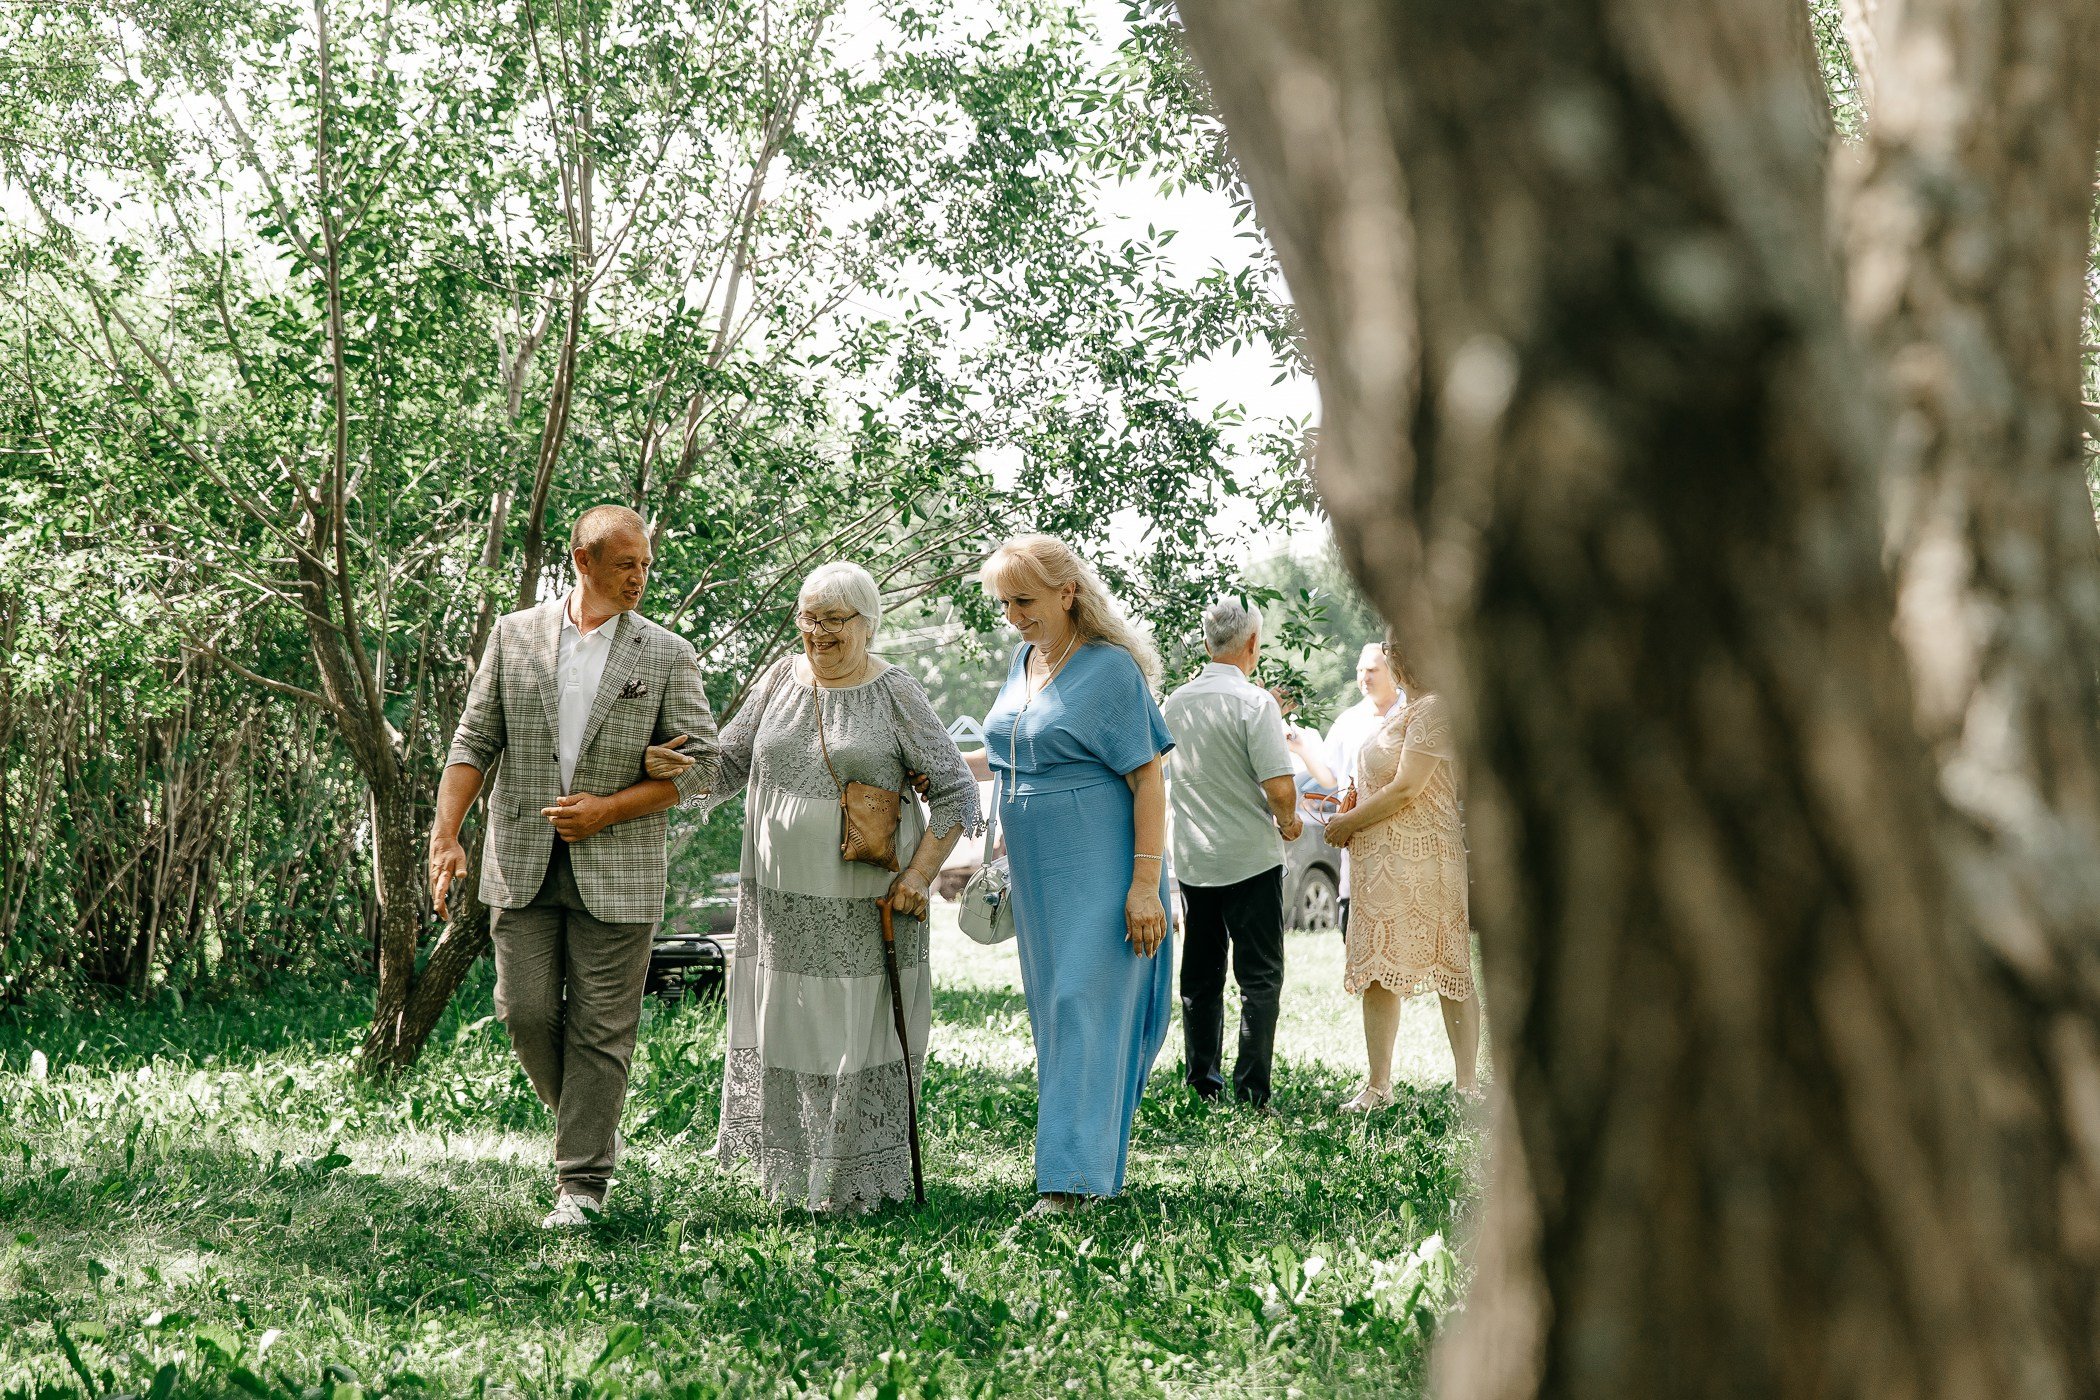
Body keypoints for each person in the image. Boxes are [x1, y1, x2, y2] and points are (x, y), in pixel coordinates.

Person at [429, 505, 720, 1228]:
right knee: (524, 1013)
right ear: (582, 561)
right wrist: (446, 836)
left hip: (620, 865)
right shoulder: (514, 635)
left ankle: (581, 1186)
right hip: (521, 860)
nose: (640, 578)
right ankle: (591, 1125)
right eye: (627, 565)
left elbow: (704, 770)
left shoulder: (665, 653)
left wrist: (611, 807)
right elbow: (473, 739)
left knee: (601, 1030)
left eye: (647, 565)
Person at [655, 562, 977, 1213]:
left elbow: (954, 788)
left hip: (868, 899)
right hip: (780, 901)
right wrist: (675, 768)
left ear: (866, 623)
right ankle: (794, 1177)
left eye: (835, 620)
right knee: (793, 1026)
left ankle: (859, 1180)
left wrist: (919, 878)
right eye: (810, 618)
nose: (819, 632)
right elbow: (730, 764)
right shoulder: (780, 676)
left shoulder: (894, 690)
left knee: (857, 1032)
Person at [979, 534, 1175, 1215]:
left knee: (1079, 1009)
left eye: (1024, 601)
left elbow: (1150, 778)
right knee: (1058, 1018)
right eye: (1005, 603)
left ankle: (1066, 1185)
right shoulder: (1023, 659)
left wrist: (1145, 885)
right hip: (1037, 874)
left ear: (1068, 593)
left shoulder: (1109, 669)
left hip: (1099, 862)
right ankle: (1083, 1166)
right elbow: (1012, 752)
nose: (1014, 615)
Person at [1321, 632, 1478, 1105]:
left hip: (1425, 861)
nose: (1386, 659)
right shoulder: (1407, 710)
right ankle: (1377, 1085)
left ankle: (1467, 1085)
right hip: (1383, 864)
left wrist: (1348, 820)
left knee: (1451, 968)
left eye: (1389, 651)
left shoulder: (1436, 709)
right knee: (1378, 970)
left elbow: (1409, 787)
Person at [1163, 600, 1303, 1110]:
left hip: (1197, 861)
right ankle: (1251, 1091)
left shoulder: (1174, 703)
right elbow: (1281, 789)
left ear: (1206, 645)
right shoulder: (1255, 703)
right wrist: (1288, 824)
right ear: (1252, 645)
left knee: (1200, 977)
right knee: (1259, 976)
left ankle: (1202, 1081)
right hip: (1250, 859)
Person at [1311, 643, 1404, 934]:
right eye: (1360, 669)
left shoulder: (1411, 713)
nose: (1364, 676)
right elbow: (1329, 777)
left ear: (1392, 671)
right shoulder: (1348, 720)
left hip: (1402, 840)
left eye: (1373, 670)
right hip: (1358, 844)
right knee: (1354, 929)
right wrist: (1301, 749)